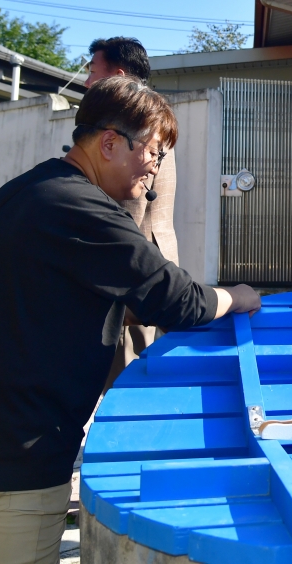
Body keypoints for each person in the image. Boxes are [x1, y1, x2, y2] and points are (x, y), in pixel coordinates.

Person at [0, 77, 260, 564]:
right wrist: (237, 296)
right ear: (111, 142)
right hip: (16, 452)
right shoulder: (84, 210)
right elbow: (177, 300)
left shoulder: (29, 188)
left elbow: (56, 290)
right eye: (154, 153)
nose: (155, 171)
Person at [85, 37, 180, 390]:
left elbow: (130, 209)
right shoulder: (155, 119)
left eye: (93, 73)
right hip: (153, 258)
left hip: (134, 266)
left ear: (119, 75)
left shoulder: (135, 126)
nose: (86, 83)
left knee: (127, 378)